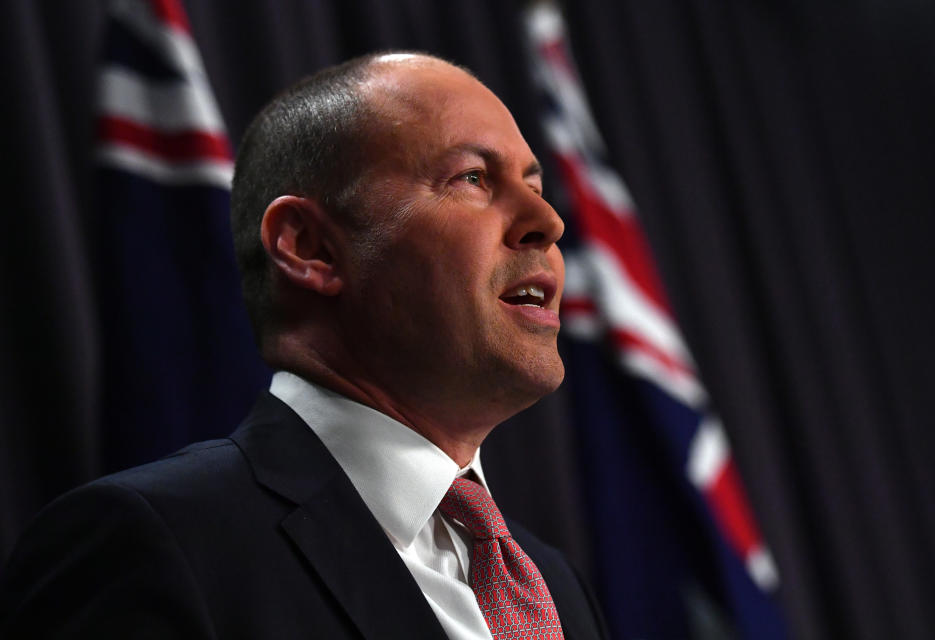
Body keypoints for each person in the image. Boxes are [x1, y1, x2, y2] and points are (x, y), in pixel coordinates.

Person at [0, 52, 607, 639]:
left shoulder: (553, 584)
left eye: (535, 183)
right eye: (472, 178)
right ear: (309, 247)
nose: (547, 220)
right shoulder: (150, 543)